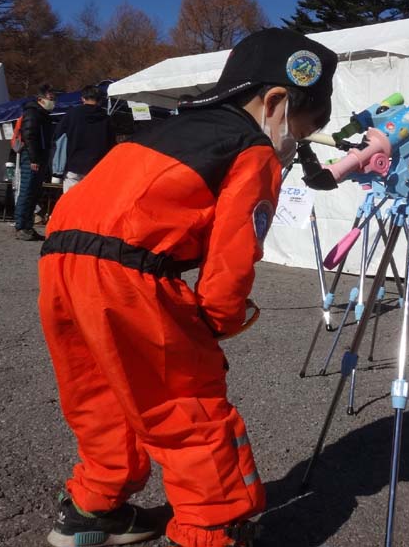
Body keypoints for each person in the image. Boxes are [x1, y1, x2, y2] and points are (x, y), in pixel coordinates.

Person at [37, 28, 337, 547]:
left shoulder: (169, 130)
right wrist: (213, 324)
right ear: (275, 102)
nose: (296, 144)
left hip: (60, 260)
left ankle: (93, 510)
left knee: (102, 393)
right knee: (187, 403)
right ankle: (212, 528)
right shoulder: (253, 149)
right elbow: (234, 251)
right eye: (302, 130)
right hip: (130, 273)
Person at [54, 84, 116, 192]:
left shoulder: (72, 114)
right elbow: (111, 143)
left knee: (70, 201)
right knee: (89, 201)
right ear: (100, 99)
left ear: (82, 98)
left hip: (73, 164)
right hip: (97, 166)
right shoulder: (106, 118)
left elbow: (58, 136)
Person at [14, 84, 57, 240]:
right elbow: (29, 136)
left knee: (33, 193)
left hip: (39, 157)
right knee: (27, 191)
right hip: (32, 157)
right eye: (51, 98)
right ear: (41, 99)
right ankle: (21, 226)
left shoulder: (43, 115)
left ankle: (28, 226)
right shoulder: (32, 113)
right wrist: (34, 158)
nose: (53, 102)